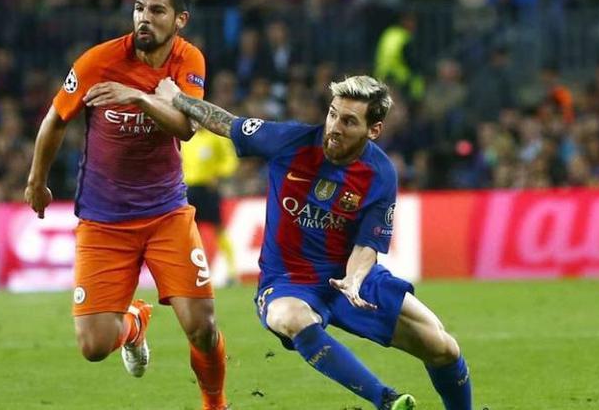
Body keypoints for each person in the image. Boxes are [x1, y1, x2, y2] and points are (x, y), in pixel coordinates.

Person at [156, 75, 473, 410]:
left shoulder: (380, 173)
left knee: (443, 348)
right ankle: (387, 400)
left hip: (352, 280)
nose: (334, 126)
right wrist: (178, 98)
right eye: (333, 114)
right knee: (291, 318)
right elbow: (226, 123)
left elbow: (368, 245)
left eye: (349, 121)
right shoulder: (289, 140)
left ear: (374, 130)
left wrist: (354, 278)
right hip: (287, 282)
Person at [24, 0, 228, 410]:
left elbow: (187, 128)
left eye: (157, 10)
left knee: (203, 327)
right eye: (139, 8)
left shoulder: (188, 60)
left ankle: (215, 405)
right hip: (104, 221)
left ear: (180, 20)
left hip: (166, 214)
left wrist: (138, 98)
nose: (144, 18)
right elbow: (55, 119)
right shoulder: (98, 61)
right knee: (94, 346)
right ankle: (135, 322)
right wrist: (36, 180)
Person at [181, 127, 241, 284]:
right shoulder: (185, 138)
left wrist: (218, 174)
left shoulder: (215, 138)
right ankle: (195, 272)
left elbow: (230, 160)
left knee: (218, 228)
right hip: (188, 189)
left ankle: (232, 271)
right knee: (191, 231)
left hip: (208, 188)